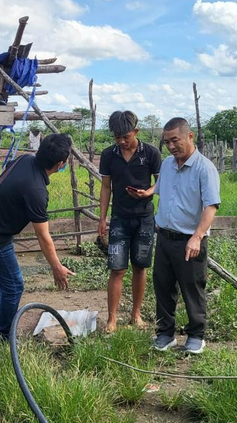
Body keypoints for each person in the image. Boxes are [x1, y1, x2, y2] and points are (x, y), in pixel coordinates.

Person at [0, 133, 76, 340]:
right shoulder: (36, 190)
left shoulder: (25, 159)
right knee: (14, 285)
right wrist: (57, 267)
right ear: (61, 163)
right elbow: (43, 236)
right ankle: (6, 335)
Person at [131, 117, 220, 354]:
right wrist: (146, 192)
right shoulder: (168, 165)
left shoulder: (205, 169)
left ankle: (196, 336)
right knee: (163, 287)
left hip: (189, 240)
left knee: (192, 288)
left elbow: (211, 206)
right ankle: (165, 334)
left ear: (189, 136)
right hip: (164, 238)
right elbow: (159, 188)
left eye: (175, 140)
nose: (171, 146)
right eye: (167, 141)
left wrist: (197, 237)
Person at [98, 111, 161, 333]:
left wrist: (148, 193)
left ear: (136, 131)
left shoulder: (151, 153)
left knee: (140, 267)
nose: (122, 141)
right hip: (119, 219)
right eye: (117, 138)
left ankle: (136, 314)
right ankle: (112, 319)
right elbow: (106, 187)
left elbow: (159, 183)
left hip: (145, 218)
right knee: (116, 269)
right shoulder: (108, 155)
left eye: (126, 136)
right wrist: (102, 218)